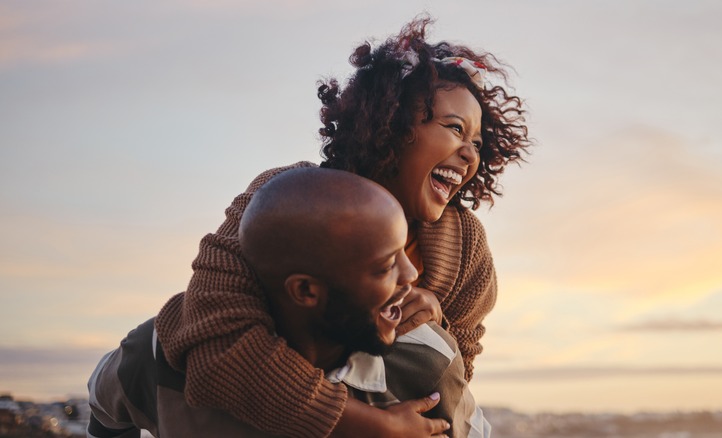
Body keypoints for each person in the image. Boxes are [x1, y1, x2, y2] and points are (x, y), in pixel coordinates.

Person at [154, 15, 529, 437]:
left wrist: (436, 325)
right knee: (144, 346)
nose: (470, 154)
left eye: (476, 143)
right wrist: (364, 424)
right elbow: (216, 344)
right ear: (391, 124)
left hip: (376, 408)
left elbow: (454, 379)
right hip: (257, 412)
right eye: (455, 128)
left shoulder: (465, 247)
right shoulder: (286, 198)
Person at [87, 168, 488, 438]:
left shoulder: (427, 362)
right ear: (306, 291)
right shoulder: (159, 353)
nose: (412, 275)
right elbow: (104, 408)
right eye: (385, 266)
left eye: (404, 251)